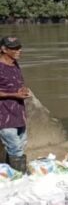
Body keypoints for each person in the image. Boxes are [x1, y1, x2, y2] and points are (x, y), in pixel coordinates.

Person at [0, 37, 31, 171]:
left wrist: (23, 90)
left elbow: (15, 84)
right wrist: (14, 95)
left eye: (19, 47)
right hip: (3, 114)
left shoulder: (15, 64)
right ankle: (20, 175)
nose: (19, 50)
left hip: (18, 111)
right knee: (15, 147)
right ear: (4, 49)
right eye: (14, 48)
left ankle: (10, 172)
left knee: (21, 144)